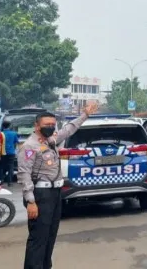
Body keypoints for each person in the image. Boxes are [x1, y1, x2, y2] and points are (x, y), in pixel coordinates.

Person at [19, 102, 98, 269]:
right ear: (36, 125)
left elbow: (69, 128)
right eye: (46, 125)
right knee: (38, 238)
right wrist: (31, 201)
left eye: (52, 125)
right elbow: (24, 174)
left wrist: (85, 115)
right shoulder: (29, 146)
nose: (50, 127)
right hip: (40, 195)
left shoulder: (51, 141)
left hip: (55, 194)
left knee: (50, 236)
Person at [0, 121, 20, 187]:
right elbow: (16, 143)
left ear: (2, 126)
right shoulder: (14, 134)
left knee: (1, 167)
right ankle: (10, 182)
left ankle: (1, 181)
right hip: (12, 153)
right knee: (10, 167)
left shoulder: (0, 134)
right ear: (9, 126)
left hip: (2, 153)